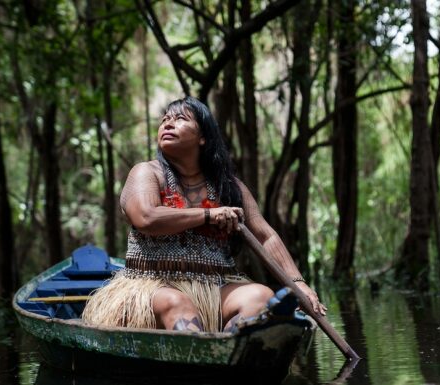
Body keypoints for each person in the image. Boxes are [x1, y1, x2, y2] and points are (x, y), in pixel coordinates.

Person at [82, 96, 326, 333]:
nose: (167, 123)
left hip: (215, 289)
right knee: (176, 303)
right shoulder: (146, 173)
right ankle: (203, 357)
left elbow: (265, 236)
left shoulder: (229, 188)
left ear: (203, 138)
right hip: (153, 287)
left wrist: (297, 283)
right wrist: (208, 215)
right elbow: (146, 218)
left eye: (180, 119)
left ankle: (230, 352)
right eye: (165, 119)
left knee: (261, 296)